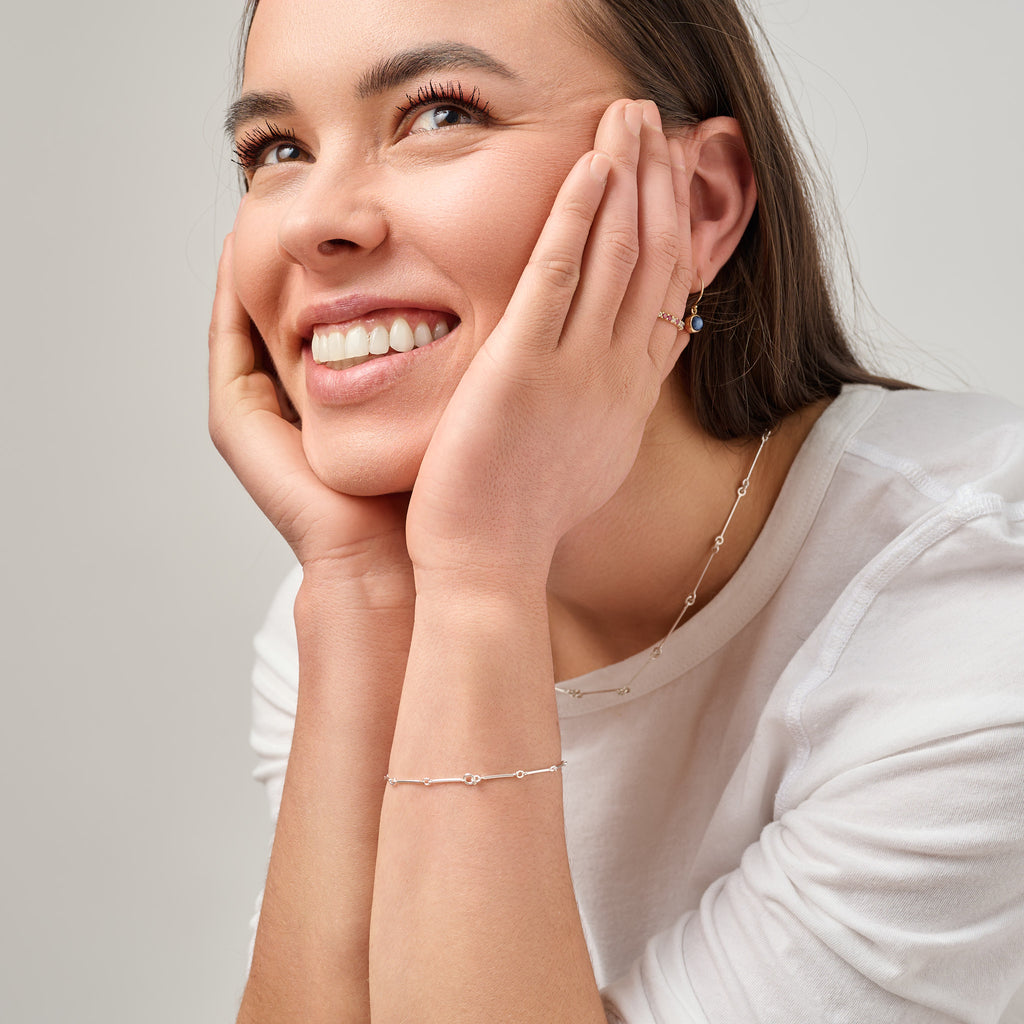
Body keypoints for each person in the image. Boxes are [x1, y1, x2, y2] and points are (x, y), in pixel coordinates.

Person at [208, 0, 1024, 1020]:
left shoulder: (978, 624)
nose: (314, 221)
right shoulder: (346, 617)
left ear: (698, 201)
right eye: (275, 148)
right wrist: (361, 596)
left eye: (441, 114)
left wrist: (479, 580)